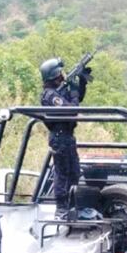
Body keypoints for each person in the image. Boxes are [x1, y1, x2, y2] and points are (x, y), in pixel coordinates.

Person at [40, 57, 90, 219]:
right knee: (62, 173)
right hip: (59, 137)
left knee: (74, 172)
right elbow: (71, 109)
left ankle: (72, 205)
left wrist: (81, 82)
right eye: (59, 73)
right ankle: (61, 208)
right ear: (54, 76)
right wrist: (74, 94)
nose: (62, 75)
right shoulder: (49, 96)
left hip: (68, 137)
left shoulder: (59, 91)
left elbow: (77, 98)